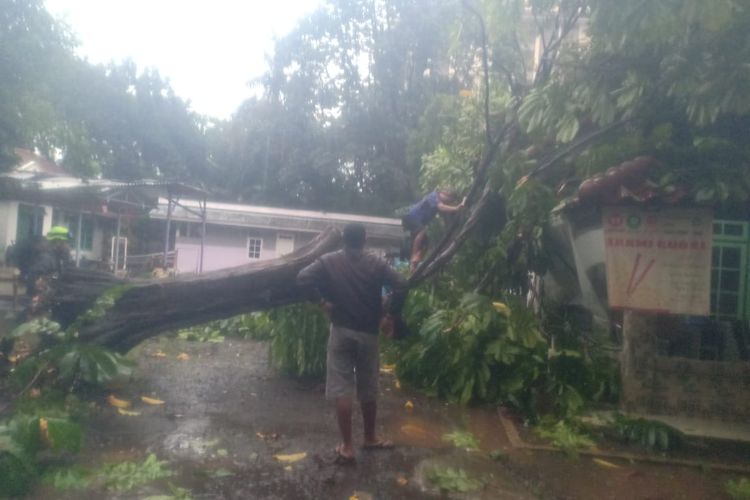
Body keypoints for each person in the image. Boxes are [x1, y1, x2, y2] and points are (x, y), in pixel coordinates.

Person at [297, 223, 408, 465]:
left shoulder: (329, 260)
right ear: (364, 239)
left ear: (343, 240)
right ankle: (369, 438)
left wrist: (321, 302)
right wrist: (390, 316)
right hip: (368, 334)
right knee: (368, 387)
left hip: (341, 332)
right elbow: (401, 284)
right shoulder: (376, 263)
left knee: (342, 388)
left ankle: (347, 446)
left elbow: (303, 277)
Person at [401, 189, 465, 271]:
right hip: (411, 217)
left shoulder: (439, 202)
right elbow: (441, 207)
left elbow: (444, 212)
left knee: (425, 245)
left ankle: (414, 266)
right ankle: (414, 256)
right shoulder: (433, 196)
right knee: (422, 231)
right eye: (449, 200)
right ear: (444, 194)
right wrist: (456, 208)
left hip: (417, 222)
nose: (448, 203)